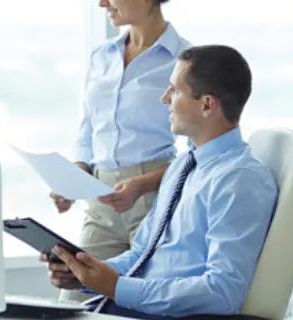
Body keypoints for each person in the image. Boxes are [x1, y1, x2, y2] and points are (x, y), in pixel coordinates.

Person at [43, 44, 278, 319]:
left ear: (207, 105)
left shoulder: (239, 180)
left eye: (175, 90)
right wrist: (87, 273)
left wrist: (118, 287)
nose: (165, 99)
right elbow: (143, 253)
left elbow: (223, 291)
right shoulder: (182, 166)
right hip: (132, 307)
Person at [51, 0, 191, 302]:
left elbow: (197, 155)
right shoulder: (102, 56)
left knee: (146, 304)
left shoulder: (185, 62)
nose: (101, 3)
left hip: (154, 202)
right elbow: (87, 129)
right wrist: (76, 175)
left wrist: (142, 184)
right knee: (74, 305)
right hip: (100, 204)